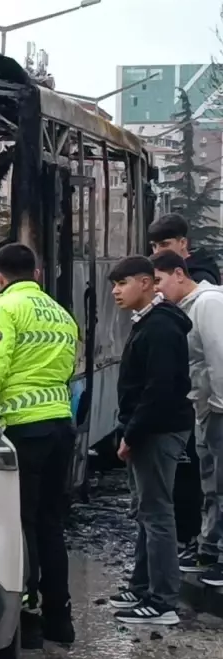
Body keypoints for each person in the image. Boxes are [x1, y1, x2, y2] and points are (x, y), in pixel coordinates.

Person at [0, 243, 78, 648]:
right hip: (61, 426)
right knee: (50, 524)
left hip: (22, 431)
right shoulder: (60, 314)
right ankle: (59, 620)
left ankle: (25, 620)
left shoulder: (1, 308)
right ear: (39, 273)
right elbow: (66, 369)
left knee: (20, 525)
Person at [106, 255, 194, 625]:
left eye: (122, 283)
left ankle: (163, 602)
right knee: (145, 511)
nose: (115, 291)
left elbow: (158, 390)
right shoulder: (151, 322)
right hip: (150, 428)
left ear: (145, 283)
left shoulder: (159, 327)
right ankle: (142, 586)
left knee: (157, 515)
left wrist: (131, 433)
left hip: (157, 431)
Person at [149, 213, 220, 554]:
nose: (158, 289)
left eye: (165, 245)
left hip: (210, 406)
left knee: (212, 481)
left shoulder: (205, 299)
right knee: (207, 481)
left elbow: (215, 359)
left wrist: (214, 409)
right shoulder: (189, 297)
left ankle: (208, 548)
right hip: (202, 404)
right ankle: (205, 545)